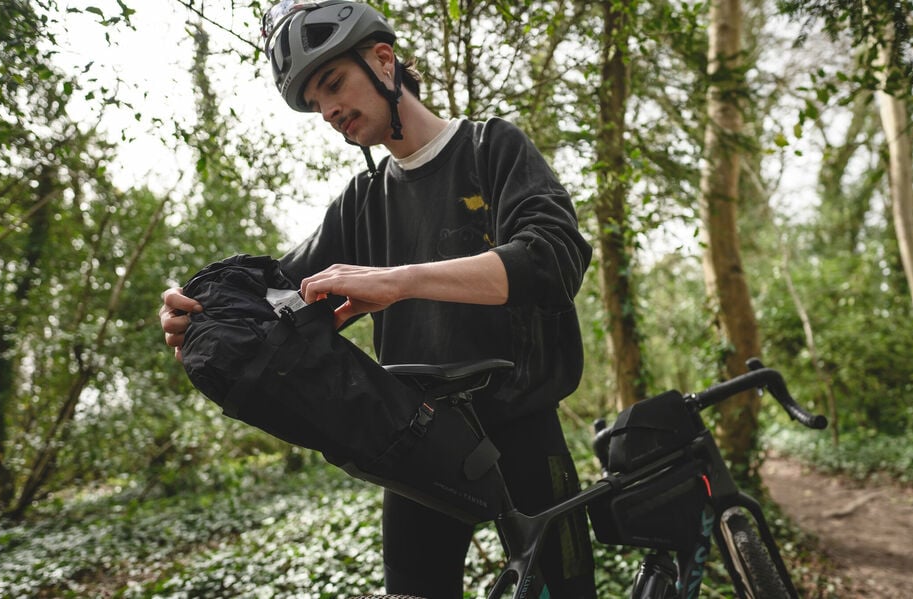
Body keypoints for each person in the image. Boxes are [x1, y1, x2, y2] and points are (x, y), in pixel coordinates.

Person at [159, 1, 597, 597]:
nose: (329, 111)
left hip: (522, 425)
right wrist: (199, 309)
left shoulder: (490, 148)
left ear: (384, 62)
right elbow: (279, 294)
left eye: (333, 83)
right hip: (419, 438)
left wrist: (401, 280)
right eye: (315, 104)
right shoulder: (359, 203)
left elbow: (552, 259)